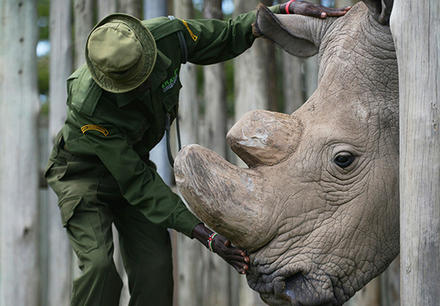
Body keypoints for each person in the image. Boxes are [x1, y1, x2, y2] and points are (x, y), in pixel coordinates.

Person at [45, 1, 350, 305]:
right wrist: (206, 235)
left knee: (155, 269)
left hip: (134, 167)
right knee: (98, 269)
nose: (146, 84)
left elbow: (225, 34)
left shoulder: (164, 37)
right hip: (83, 177)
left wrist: (281, 12)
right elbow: (137, 184)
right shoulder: (90, 105)